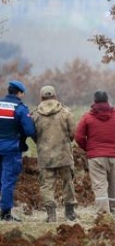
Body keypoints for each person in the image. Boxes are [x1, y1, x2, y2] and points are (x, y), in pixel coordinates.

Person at [75, 91, 115, 214]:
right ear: (107, 100)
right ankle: (114, 210)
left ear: (94, 101)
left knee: (99, 185)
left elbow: (79, 137)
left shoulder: (87, 117)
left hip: (95, 157)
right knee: (113, 184)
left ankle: (103, 213)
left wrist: (89, 149)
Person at [32, 86, 78, 222]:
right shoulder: (66, 112)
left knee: (46, 185)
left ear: (41, 97)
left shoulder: (35, 114)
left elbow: (32, 134)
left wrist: (40, 143)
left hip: (45, 157)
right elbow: (72, 134)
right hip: (64, 155)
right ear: (55, 96)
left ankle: (51, 215)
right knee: (68, 183)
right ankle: (70, 213)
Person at [0, 80, 35, 221]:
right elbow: (29, 130)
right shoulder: (20, 108)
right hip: (11, 149)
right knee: (7, 180)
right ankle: (6, 213)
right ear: (19, 93)